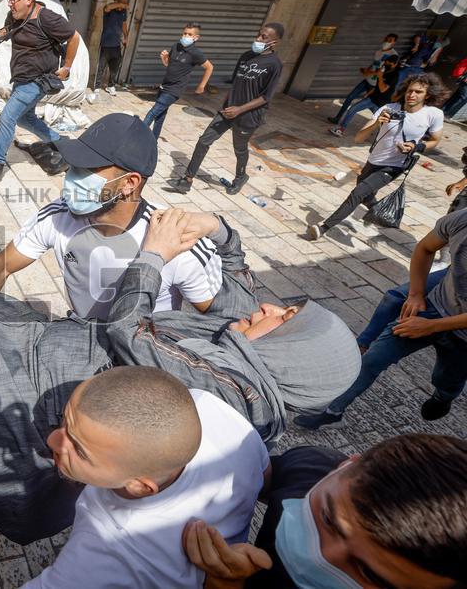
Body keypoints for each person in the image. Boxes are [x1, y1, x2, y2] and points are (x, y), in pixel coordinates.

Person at [0, 209, 359, 544]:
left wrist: (153, 256)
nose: (269, 307)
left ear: (293, 358)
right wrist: (219, 228)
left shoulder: (233, 395)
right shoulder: (241, 342)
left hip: (10, 373)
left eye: (285, 319)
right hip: (24, 335)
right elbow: (239, 273)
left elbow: (129, 331)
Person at [24, 367, 268, 588]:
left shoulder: (107, 552)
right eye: (64, 420)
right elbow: (265, 475)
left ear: (140, 486)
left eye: (78, 450)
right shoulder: (209, 407)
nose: (52, 440)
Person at [0, 113, 223, 318]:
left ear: (129, 183)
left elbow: (221, 317)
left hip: (143, 355)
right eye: (74, 165)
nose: (71, 177)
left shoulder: (178, 240)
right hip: (80, 338)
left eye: (88, 168)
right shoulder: (58, 215)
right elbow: (0, 267)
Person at [183, 433, 467, 589]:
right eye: (329, 519)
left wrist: (225, 583)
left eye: (369, 573)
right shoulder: (310, 467)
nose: (320, 556)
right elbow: (255, 478)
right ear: (345, 465)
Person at [296, 209, 467, 429]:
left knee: (446, 379)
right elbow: (425, 248)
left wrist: (432, 326)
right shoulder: (461, 219)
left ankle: (443, 397)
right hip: (435, 304)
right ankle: (333, 411)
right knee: (373, 358)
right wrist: (416, 294)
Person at [307, 73, 447, 240]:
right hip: (373, 161)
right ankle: (381, 213)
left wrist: (417, 146)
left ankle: (324, 227)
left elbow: (435, 140)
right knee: (366, 196)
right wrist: (376, 123)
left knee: (357, 193)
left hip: (394, 166)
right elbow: (359, 138)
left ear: (427, 95)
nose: (412, 95)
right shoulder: (388, 108)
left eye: (418, 92)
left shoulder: (433, 114)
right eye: (410, 90)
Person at [0, 0, 82, 186]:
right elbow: (8, 30)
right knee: (25, 119)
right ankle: (60, 141)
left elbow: (74, 37)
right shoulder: (15, 15)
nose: (10, 3)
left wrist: (67, 67)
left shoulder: (47, 18)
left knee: (8, 116)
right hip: (21, 78)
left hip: (37, 81)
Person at [169, 23, 284, 196]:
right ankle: (187, 179)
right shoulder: (246, 56)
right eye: (258, 34)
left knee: (239, 148)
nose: (258, 39)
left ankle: (240, 177)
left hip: (248, 116)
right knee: (204, 141)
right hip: (227, 110)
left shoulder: (275, 64)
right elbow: (236, 82)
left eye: (264, 37)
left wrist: (240, 109)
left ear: (274, 42)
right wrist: (228, 103)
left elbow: (266, 97)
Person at [142, 22, 214, 139]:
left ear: (196, 38)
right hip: (164, 86)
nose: (186, 36)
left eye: (189, 34)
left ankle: (136, 136)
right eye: (184, 33)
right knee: (160, 116)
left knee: (152, 113)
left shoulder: (196, 53)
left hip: (175, 90)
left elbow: (209, 67)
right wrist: (164, 58)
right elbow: (169, 64)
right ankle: (153, 141)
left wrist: (202, 86)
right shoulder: (176, 46)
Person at [328, 33, 398, 125]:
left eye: (390, 40)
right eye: (387, 39)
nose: (387, 42)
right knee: (350, 97)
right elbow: (374, 64)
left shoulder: (393, 56)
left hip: (375, 85)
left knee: (372, 106)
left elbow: (383, 72)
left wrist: (370, 72)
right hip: (367, 81)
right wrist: (367, 70)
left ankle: (385, 123)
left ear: (394, 43)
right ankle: (337, 118)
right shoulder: (379, 51)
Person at [327, 51, 399, 137]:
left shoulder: (394, 75)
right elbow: (377, 86)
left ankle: (386, 137)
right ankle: (341, 130)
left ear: (395, 64)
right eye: (386, 63)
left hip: (382, 104)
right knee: (353, 109)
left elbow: (383, 89)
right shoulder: (384, 69)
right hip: (372, 99)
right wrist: (369, 93)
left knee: (382, 122)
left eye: (389, 64)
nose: (386, 65)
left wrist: (380, 76)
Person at [92, 0, 128, 97]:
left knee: (114, 67)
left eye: (125, 2)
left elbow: (124, 24)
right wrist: (121, 4)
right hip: (106, 44)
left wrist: (126, 37)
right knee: (101, 67)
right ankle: (97, 87)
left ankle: (110, 86)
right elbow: (108, 7)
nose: (124, 4)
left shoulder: (123, 12)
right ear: (116, 1)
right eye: (122, 1)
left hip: (116, 44)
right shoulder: (109, 9)